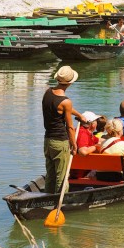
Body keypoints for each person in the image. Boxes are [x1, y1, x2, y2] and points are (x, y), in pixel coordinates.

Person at [42, 65, 84, 194]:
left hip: (48, 140)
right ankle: (60, 203)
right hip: (60, 141)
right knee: (62, 176)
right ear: (70, 83)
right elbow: (70, 127)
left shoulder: (48, 92)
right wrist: (74, 144)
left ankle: (46, 199)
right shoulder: (66, 101)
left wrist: (79, 115)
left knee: (50, 175)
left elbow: (63, 109)